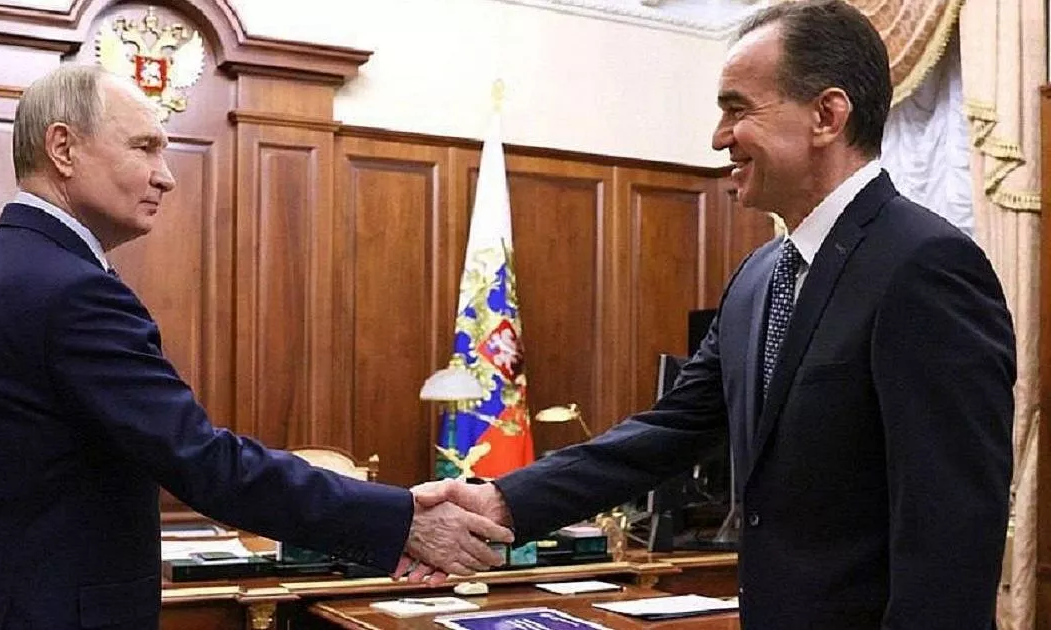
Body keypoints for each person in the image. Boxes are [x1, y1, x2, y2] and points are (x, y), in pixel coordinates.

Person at [415, 1, 1016, 628]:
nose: (718, 136)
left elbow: (952, 527)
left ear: (827, 115)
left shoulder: (927, 266)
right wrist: (502, 500)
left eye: (737, 109)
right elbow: (670, 431)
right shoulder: (758, 278)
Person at [0, 64, 511, 630]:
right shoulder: (71, 289)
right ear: (63, 148)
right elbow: (202, 460)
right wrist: (399, 519)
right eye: (144, 147)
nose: (166, 175)